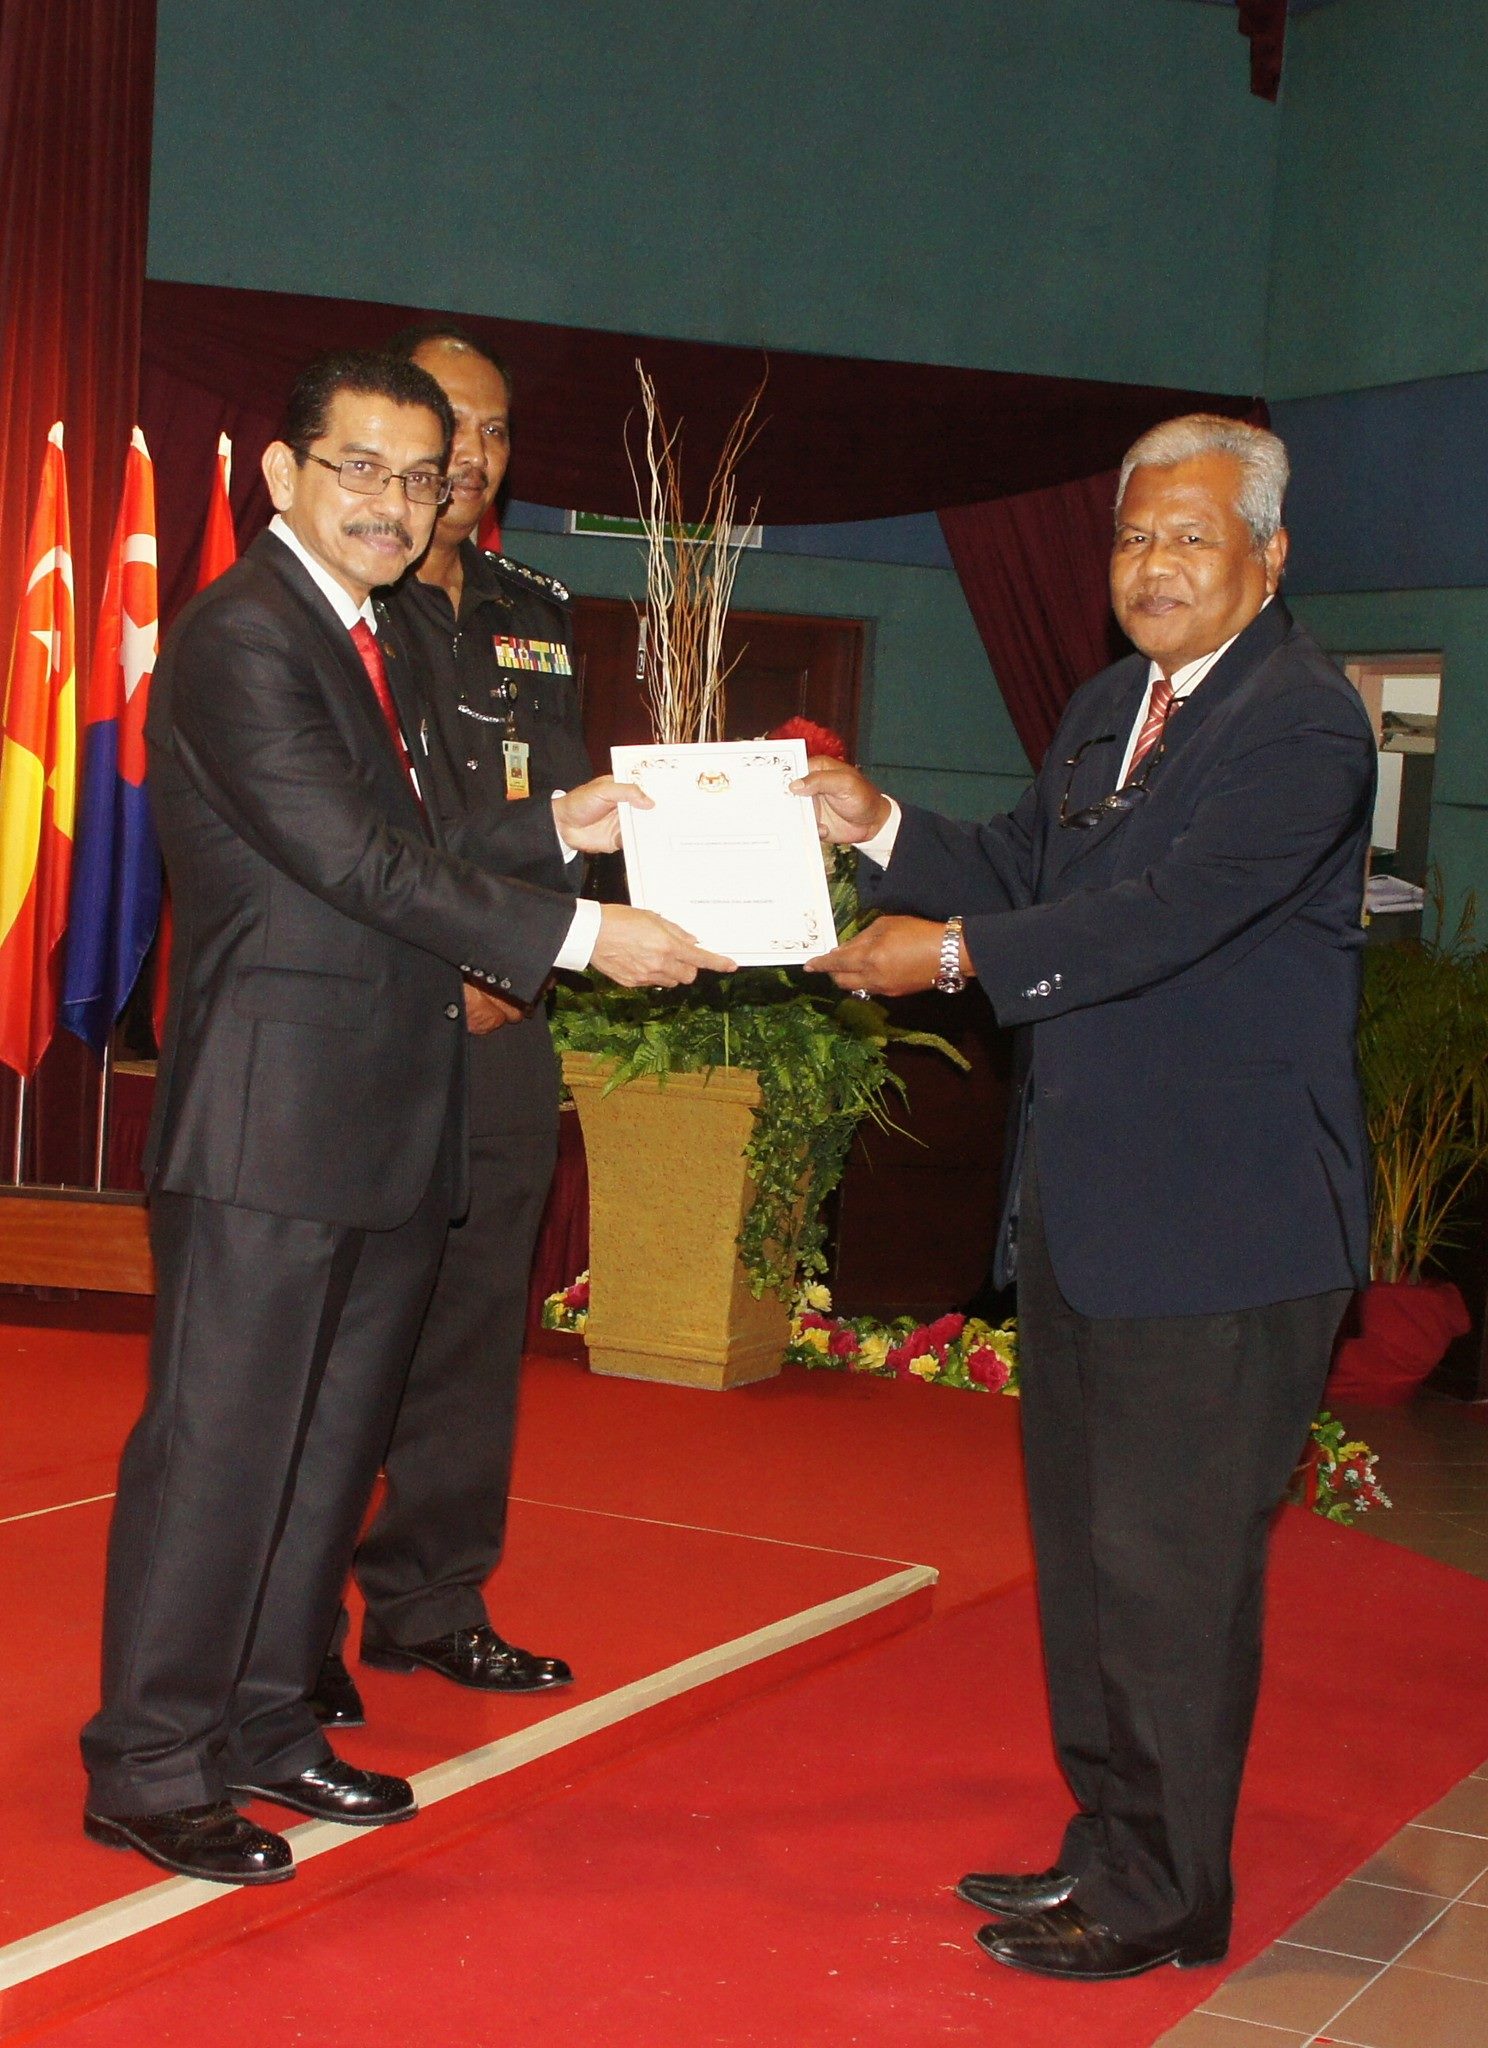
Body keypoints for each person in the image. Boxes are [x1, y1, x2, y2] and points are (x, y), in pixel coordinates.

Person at [81, 350, 729, 1887]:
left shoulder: (363, 634)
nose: (393, 502)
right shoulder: (244, 635)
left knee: (325, 1453)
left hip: (384, 1114)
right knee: (224, 1451)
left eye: (420, 477)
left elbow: (413, 837)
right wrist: (584, 934)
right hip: (272, 1124)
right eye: (359, 468)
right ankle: (151, 1761)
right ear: (284, 474)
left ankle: (262, 1721)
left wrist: (560, 821)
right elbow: (350, 862)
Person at [801, 415, 1375, 1981]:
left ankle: (1170, 1889)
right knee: (1092, 1555)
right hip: (1087, 1211)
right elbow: (1025, 866)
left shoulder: (1303, 721)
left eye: (1190, 537)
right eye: (1132, 537)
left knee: (1172, 1571)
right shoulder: (1112, 703)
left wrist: (952, 957)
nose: (1153, 566)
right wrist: (879, 827)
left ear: (1268, 556)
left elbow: (1165, 916)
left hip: (1226, 1227)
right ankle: (1111, 1839)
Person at [310, 324, 590, 1722]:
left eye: (493, 432)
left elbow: (569, 813)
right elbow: (356, 840)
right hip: (383, 1015)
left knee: (478, 1326)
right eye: (447, 429)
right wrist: (457, 961)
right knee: (344, 1334)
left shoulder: (538, 604)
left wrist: (527, 960)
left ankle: (431, 1601)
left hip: (508, 1019)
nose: (471, 456)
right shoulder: (347, 608)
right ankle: (293, 1624)